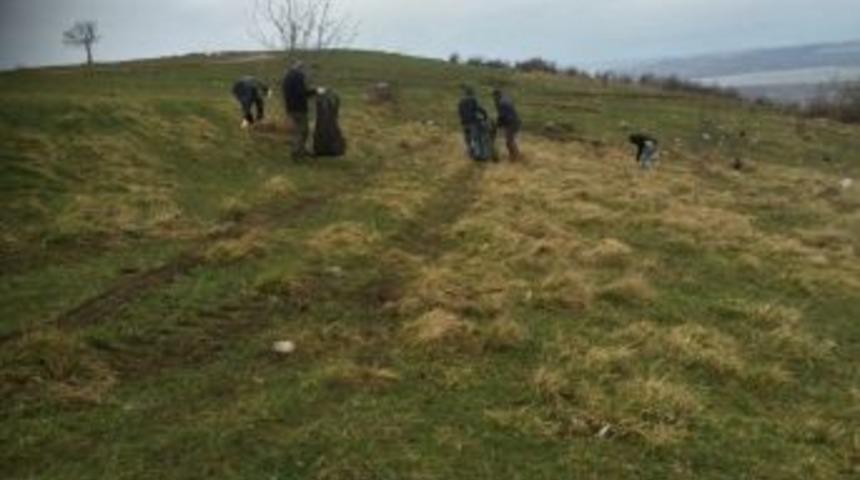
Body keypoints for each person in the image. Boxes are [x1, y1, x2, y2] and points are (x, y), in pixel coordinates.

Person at [282, 61, 321, 159]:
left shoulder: (287, 76)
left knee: (299, 130)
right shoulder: (298, 76)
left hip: (290, 108)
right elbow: (301, 93)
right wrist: (316, 91)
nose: (305, 73)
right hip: (299, 108)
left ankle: (301, 150)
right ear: (301, 69)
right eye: (304, 70)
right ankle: (296, 153)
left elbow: (294, 92)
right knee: (302, 131)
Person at [458, 86, 495, 161]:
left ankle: (471, 153)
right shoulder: (473, 99)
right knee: (476, 138)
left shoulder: (460, 102)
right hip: (472, 122)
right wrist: (485, 116)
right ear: (471, 93)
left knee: (468, 139)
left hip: (464, 123)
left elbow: (460, 112)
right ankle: (479, 155)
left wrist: (463, 120)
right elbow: (479, 109)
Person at [313, 89, 346, 157]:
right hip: (328, 122)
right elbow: (336, 106)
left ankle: (323, 149)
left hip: (325, 122)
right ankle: (328, 149)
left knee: (325, 133)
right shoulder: (327, 102)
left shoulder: (321, 102)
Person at [492, 89, 522, 160]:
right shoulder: (505, 100)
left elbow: (502, 116)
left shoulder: (502, 103)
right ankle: (514, 155)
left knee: (509, 141)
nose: (494, 99)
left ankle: (515, 156)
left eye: (494, 97)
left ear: (497, 95)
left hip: (512, 123)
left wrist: (496, 125)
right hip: (513, 122)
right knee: (510, 141)